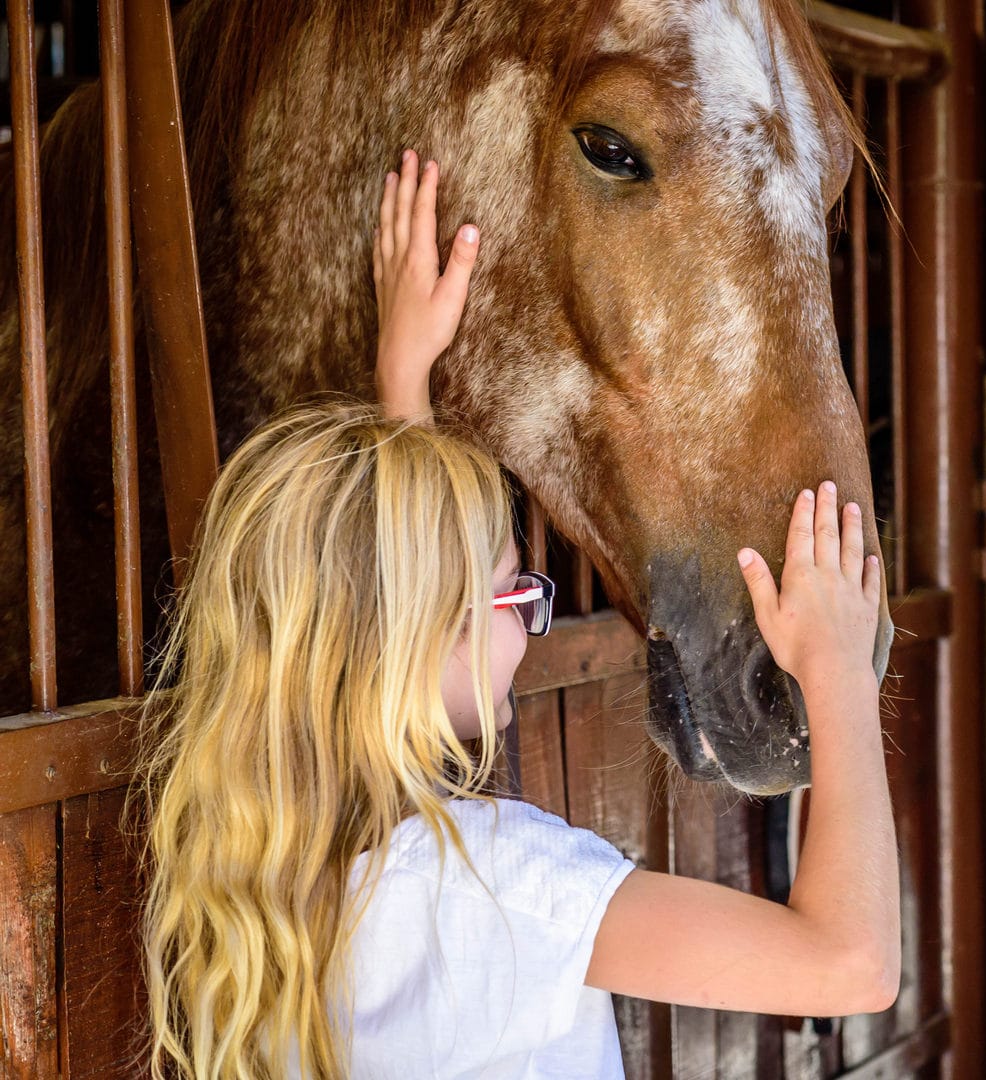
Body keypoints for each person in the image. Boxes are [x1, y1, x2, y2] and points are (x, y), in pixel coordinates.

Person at [136, 151, 899, 1079]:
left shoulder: (270, 889)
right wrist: (839, 676)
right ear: (425, 630)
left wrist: (406, 378)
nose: (530, 629)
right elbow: (849, 966)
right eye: (516, 596)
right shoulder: (504, 887)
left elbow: (396, 587)